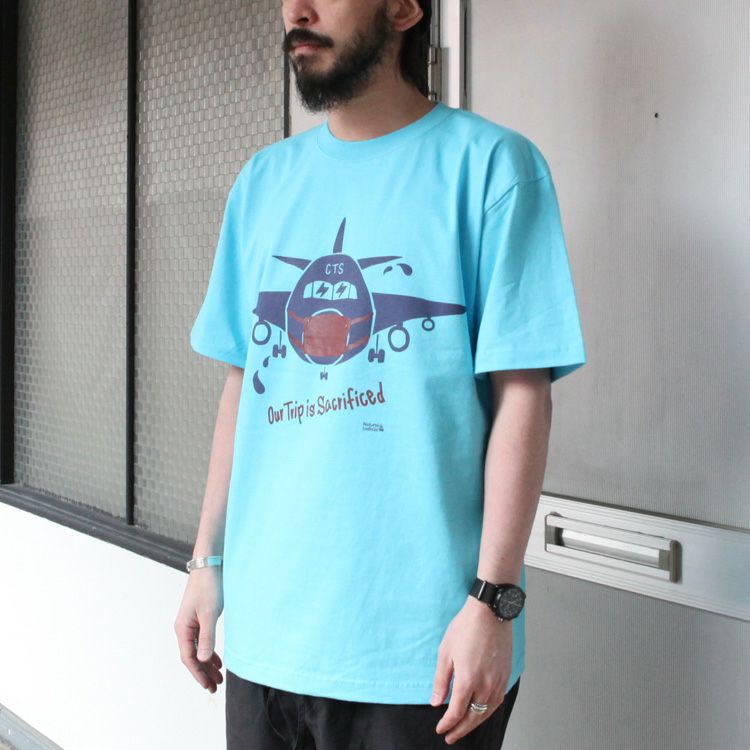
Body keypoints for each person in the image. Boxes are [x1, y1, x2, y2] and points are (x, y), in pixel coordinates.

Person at [173, 0, 587, 747]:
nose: (295, 11)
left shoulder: (494, 168)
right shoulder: (262, 182)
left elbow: (523, 396)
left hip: (423, 654)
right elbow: (245, 388)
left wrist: (493, 601)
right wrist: (207, 561)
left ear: (403, 8)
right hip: (268, 640)